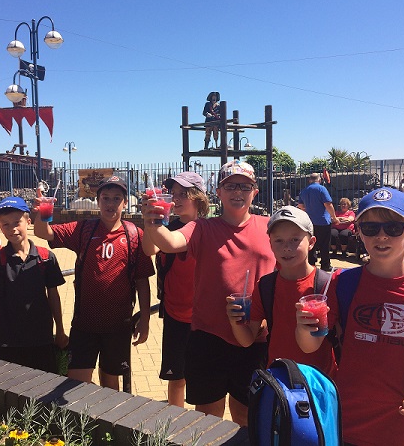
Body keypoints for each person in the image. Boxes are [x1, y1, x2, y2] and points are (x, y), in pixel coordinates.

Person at [296, 187, 404, 445]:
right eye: (371, 228)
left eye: (393, 228)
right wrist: (303, 327)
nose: (382, 236)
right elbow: (310, 345)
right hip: (348, 425)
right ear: (359, 233)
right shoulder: (343, 283)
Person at [143, 160, 276, 426]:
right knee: (208, 417)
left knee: (246, 417)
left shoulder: (271, 227)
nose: (237, 192)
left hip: (255, 338)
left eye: (244, 186)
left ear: (255, 192)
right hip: (209, 337)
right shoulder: (203, 228)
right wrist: (153, 222)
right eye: (230, 186)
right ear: (219, 191)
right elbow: (170, 243)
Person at [33, 176, 154, 390]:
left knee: (110, 386)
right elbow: (43, 233)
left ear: (125, 203)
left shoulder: (135, 235)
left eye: (116, 198)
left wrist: (144, 320)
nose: (110, 203)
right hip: (84, 325)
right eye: (105, 198)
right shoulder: (83, 229)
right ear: (97, 201)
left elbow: (143, 282)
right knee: (76, 384)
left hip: (118, 326)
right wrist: (43, 212)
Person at [226, 206, 337, 377]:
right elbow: (247, 340)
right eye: (279, 240)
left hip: (318, 384)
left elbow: (310, 346)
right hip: (279, 380)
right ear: (270, 243)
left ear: (312, 243)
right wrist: (236, 321)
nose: (286, 247)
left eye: (295, 240)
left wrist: (303, 327)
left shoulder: (327, 285)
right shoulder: (266, 285)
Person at [0, 196, 67, 373]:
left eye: (17, 222)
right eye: (5, 225)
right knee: (13, 390)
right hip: (9, 340)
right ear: (0, 227)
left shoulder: (45, 257)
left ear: (28, 221)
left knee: (43, 386)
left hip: (41, 337)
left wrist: (60, 330)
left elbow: (53, 296)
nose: (12, 229)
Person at [142, 172, 209, 407]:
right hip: (174, 313)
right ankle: (175, 426)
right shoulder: (167, 227)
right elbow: (149, 249)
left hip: (203, 318)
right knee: (176, 377)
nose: (177, 199)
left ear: (198, 197)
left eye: (184, 194)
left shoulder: (207, 229)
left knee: (202, 379)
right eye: (174, 194)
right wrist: (149, 219)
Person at [298, 173, 339, 271]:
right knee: (324, 244)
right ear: (319, 180)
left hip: (309, 222)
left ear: (309, 180)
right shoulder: (321, 189)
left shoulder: (304, 191)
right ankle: (325, 264)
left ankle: (311, 264)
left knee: (311, 243)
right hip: (323, 221)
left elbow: (300, 205)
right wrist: (334, 217)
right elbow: (328, 204)